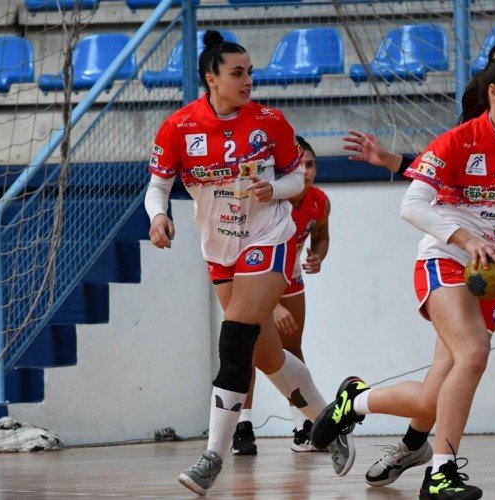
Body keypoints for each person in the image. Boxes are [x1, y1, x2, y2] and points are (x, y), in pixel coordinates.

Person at [311, 55, 495, 499]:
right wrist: (466, 238)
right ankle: (441, 472)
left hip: (493, 276)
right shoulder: (459, 141)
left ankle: (354, 402)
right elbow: (412, 205)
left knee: (432, 397)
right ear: (494, 93)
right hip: (446, 259)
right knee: (475, 353)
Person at [144, 31, 349, 495]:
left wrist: (273, 189)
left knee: (234, 339)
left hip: (268, 237)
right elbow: (158, 186)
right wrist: (158, 216)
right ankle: (329, 421)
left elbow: (296, 178)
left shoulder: (270, 122)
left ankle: (213, 456)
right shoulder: (179, 126)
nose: (248, 80)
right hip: (221, 249)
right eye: (238, 73)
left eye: (251, 72)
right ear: (211, 78)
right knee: (267, 355)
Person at [232, 135, 331, 454]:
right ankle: (242, 427)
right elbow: (244, 256)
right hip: (254, 277)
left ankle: (303, 425)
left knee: (292, 348)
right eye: (300, 165)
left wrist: (318, 255)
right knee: (247, 350)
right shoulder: (269, 202)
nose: (306, 171)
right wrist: (271, 306)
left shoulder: (320, 201)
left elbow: (321, 235)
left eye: (311, 164)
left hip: (291, 276)